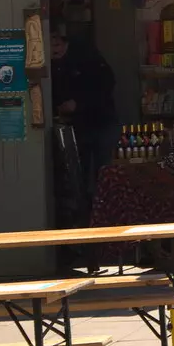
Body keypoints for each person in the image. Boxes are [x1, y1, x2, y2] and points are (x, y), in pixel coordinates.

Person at [49, 29, 118, 224]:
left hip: (101, 121)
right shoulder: (53, 65)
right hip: (76, 127)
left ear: (65, 42)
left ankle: (105, 216)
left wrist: (78, 104)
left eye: (57, 45)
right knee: (80, 176)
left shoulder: (87, 57)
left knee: (103, 173)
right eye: (51, 46)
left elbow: (106, 85)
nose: (54, 51)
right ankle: (87, 217)